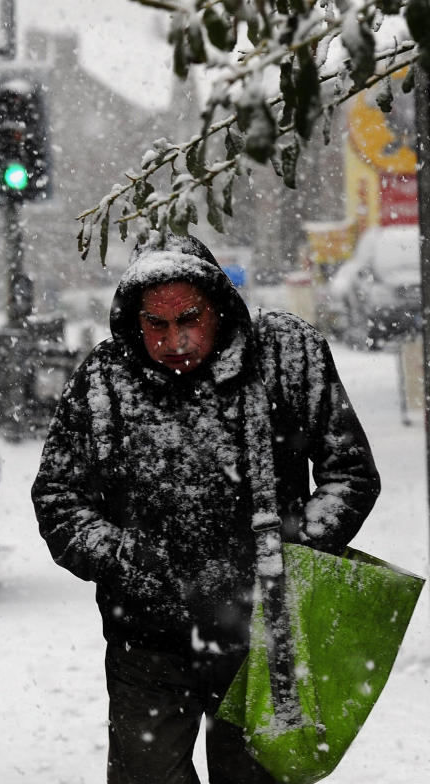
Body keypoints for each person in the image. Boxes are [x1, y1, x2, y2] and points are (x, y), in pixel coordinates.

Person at [31, 234, 380, 784]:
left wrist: (297, 551)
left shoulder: (286, 353)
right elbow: (58, 498)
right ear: (133, 321)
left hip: (264, 640)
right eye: (157, 326)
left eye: (189, 318)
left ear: (219, 306)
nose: (175, 340)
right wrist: (125, 559)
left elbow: (350, 473)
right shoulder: (103, 381)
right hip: (145, 641)